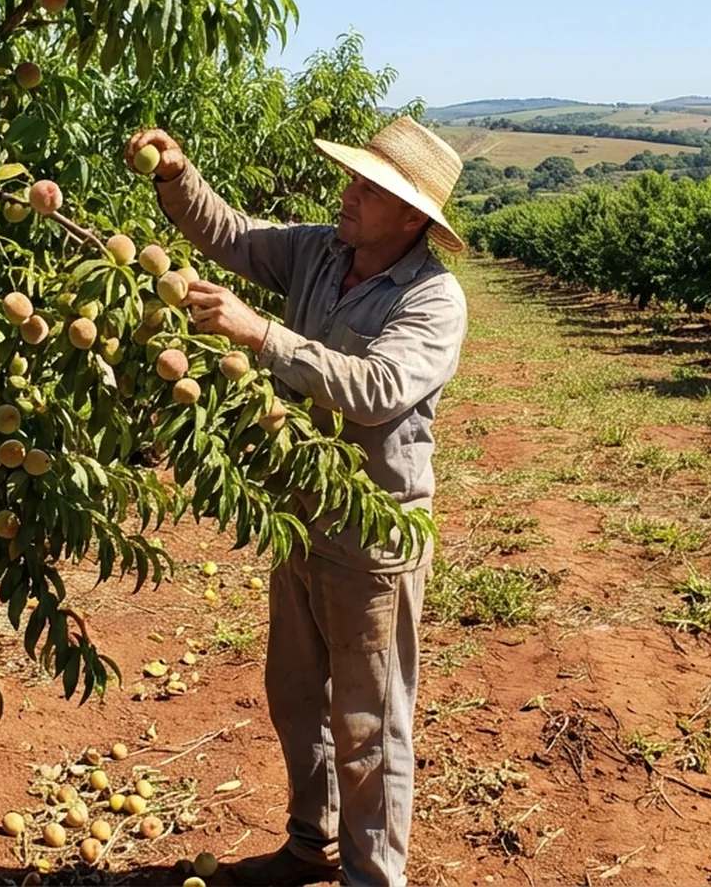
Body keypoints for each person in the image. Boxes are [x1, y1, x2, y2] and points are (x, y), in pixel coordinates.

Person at [127, 116, 469, 887]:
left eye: (366, 189)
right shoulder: (321, 250)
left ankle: (372, 877)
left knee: (369, 723)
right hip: (299, 517)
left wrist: (262, 336)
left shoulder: (431, 300)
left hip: (372, 535)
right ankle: (311, 840)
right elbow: (238, 239)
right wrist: (176, 177)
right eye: (352, 178)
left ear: (413, 217)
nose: (346, 195)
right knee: (295, 696)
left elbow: (376, 392)